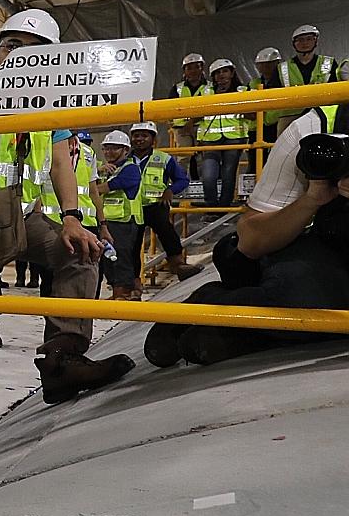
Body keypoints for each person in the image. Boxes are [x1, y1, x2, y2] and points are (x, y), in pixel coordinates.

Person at [0, 10, 133, 421]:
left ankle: (63, 362)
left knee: (82, 253)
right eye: (11, 46)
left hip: (22, 215)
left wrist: (72, 218)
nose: (19, 58)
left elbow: (61, 164)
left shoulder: (51, 107)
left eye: (34, 52)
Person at [144, 101, 349, 366]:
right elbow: (250, 241)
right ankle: (212, 305)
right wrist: (312, 199)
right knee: (307, 297)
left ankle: (238, 333)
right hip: (317, 254)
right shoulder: (313, 129)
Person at [127, 122, 202, 280]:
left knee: (167, 231)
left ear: (153, 139)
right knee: (132, 245)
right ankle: (133, 282)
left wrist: (170, 190)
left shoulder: (163, 158)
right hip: (132, 207)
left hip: (156, 205)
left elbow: (182, 180)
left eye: (144, 135)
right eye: (136, 135)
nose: (139, 139)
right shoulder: (124, 158)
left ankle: (178, 265)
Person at [194, 58, 251, 209]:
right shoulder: (205, 92)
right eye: (217, 73)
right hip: (209, 139)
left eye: (225, 71)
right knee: (208, 175)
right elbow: (196, 113)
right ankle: (211, 206)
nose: (221, 75)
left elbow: (253, 114)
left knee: (228, 173)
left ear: (232, 73)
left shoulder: (243, 91)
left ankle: (224, 207)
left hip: (235, 138)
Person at [98, 131, 144, 300]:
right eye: (106, 148)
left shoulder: (130, 169)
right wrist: (97, 171)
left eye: (114, 149)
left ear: (125, 150)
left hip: (124, 221)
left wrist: (90, 185)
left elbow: (100, 189)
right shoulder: (107, 169)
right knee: (110, 258)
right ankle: (123, 291)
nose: (109, 152)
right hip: (109, 221)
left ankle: (123, 293)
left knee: (120, 258)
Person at [276, 24, 336, 131]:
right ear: (294, 44)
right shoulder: (282, 67)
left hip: (322, 114)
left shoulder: (328, 63)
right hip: (290, 116)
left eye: (309, 39)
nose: (305, 43)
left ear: (316, 41)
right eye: (300, 40)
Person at [169, 53, 208, 178]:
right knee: (183, 158)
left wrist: (192, 121)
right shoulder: (177, 88)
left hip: (204, 127)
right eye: (189, 68)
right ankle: (181, 185)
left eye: (196, 67)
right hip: (182, 129)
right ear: (184, 71)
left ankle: (203, 186)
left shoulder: (210, 87)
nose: (193, 71)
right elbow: (170, 108)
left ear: (202, 68)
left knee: (202, 159)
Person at [252, 46, 284, 146]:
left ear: (277, 63)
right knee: (257, 159)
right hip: (258, 128)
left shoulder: (284, 81)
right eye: (262, 64)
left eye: (269, 64)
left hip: (279, 124)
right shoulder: (253, 84)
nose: (265, 67)